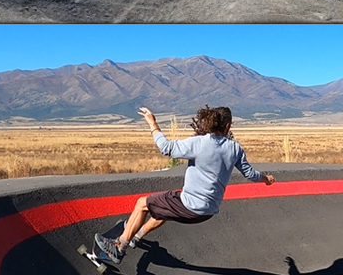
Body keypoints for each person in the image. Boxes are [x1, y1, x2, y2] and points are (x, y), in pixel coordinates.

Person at [94, 104, 275, 265]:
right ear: (228, 126)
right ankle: (137, 236)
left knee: (142, 203)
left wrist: (152, 123)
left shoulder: (200, 143)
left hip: (190, 205)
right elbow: (250, 174)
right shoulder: (235, 148)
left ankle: (118, 247)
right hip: (207, 212)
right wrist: (266, 179)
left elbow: (167, 148)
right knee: (165, 207)